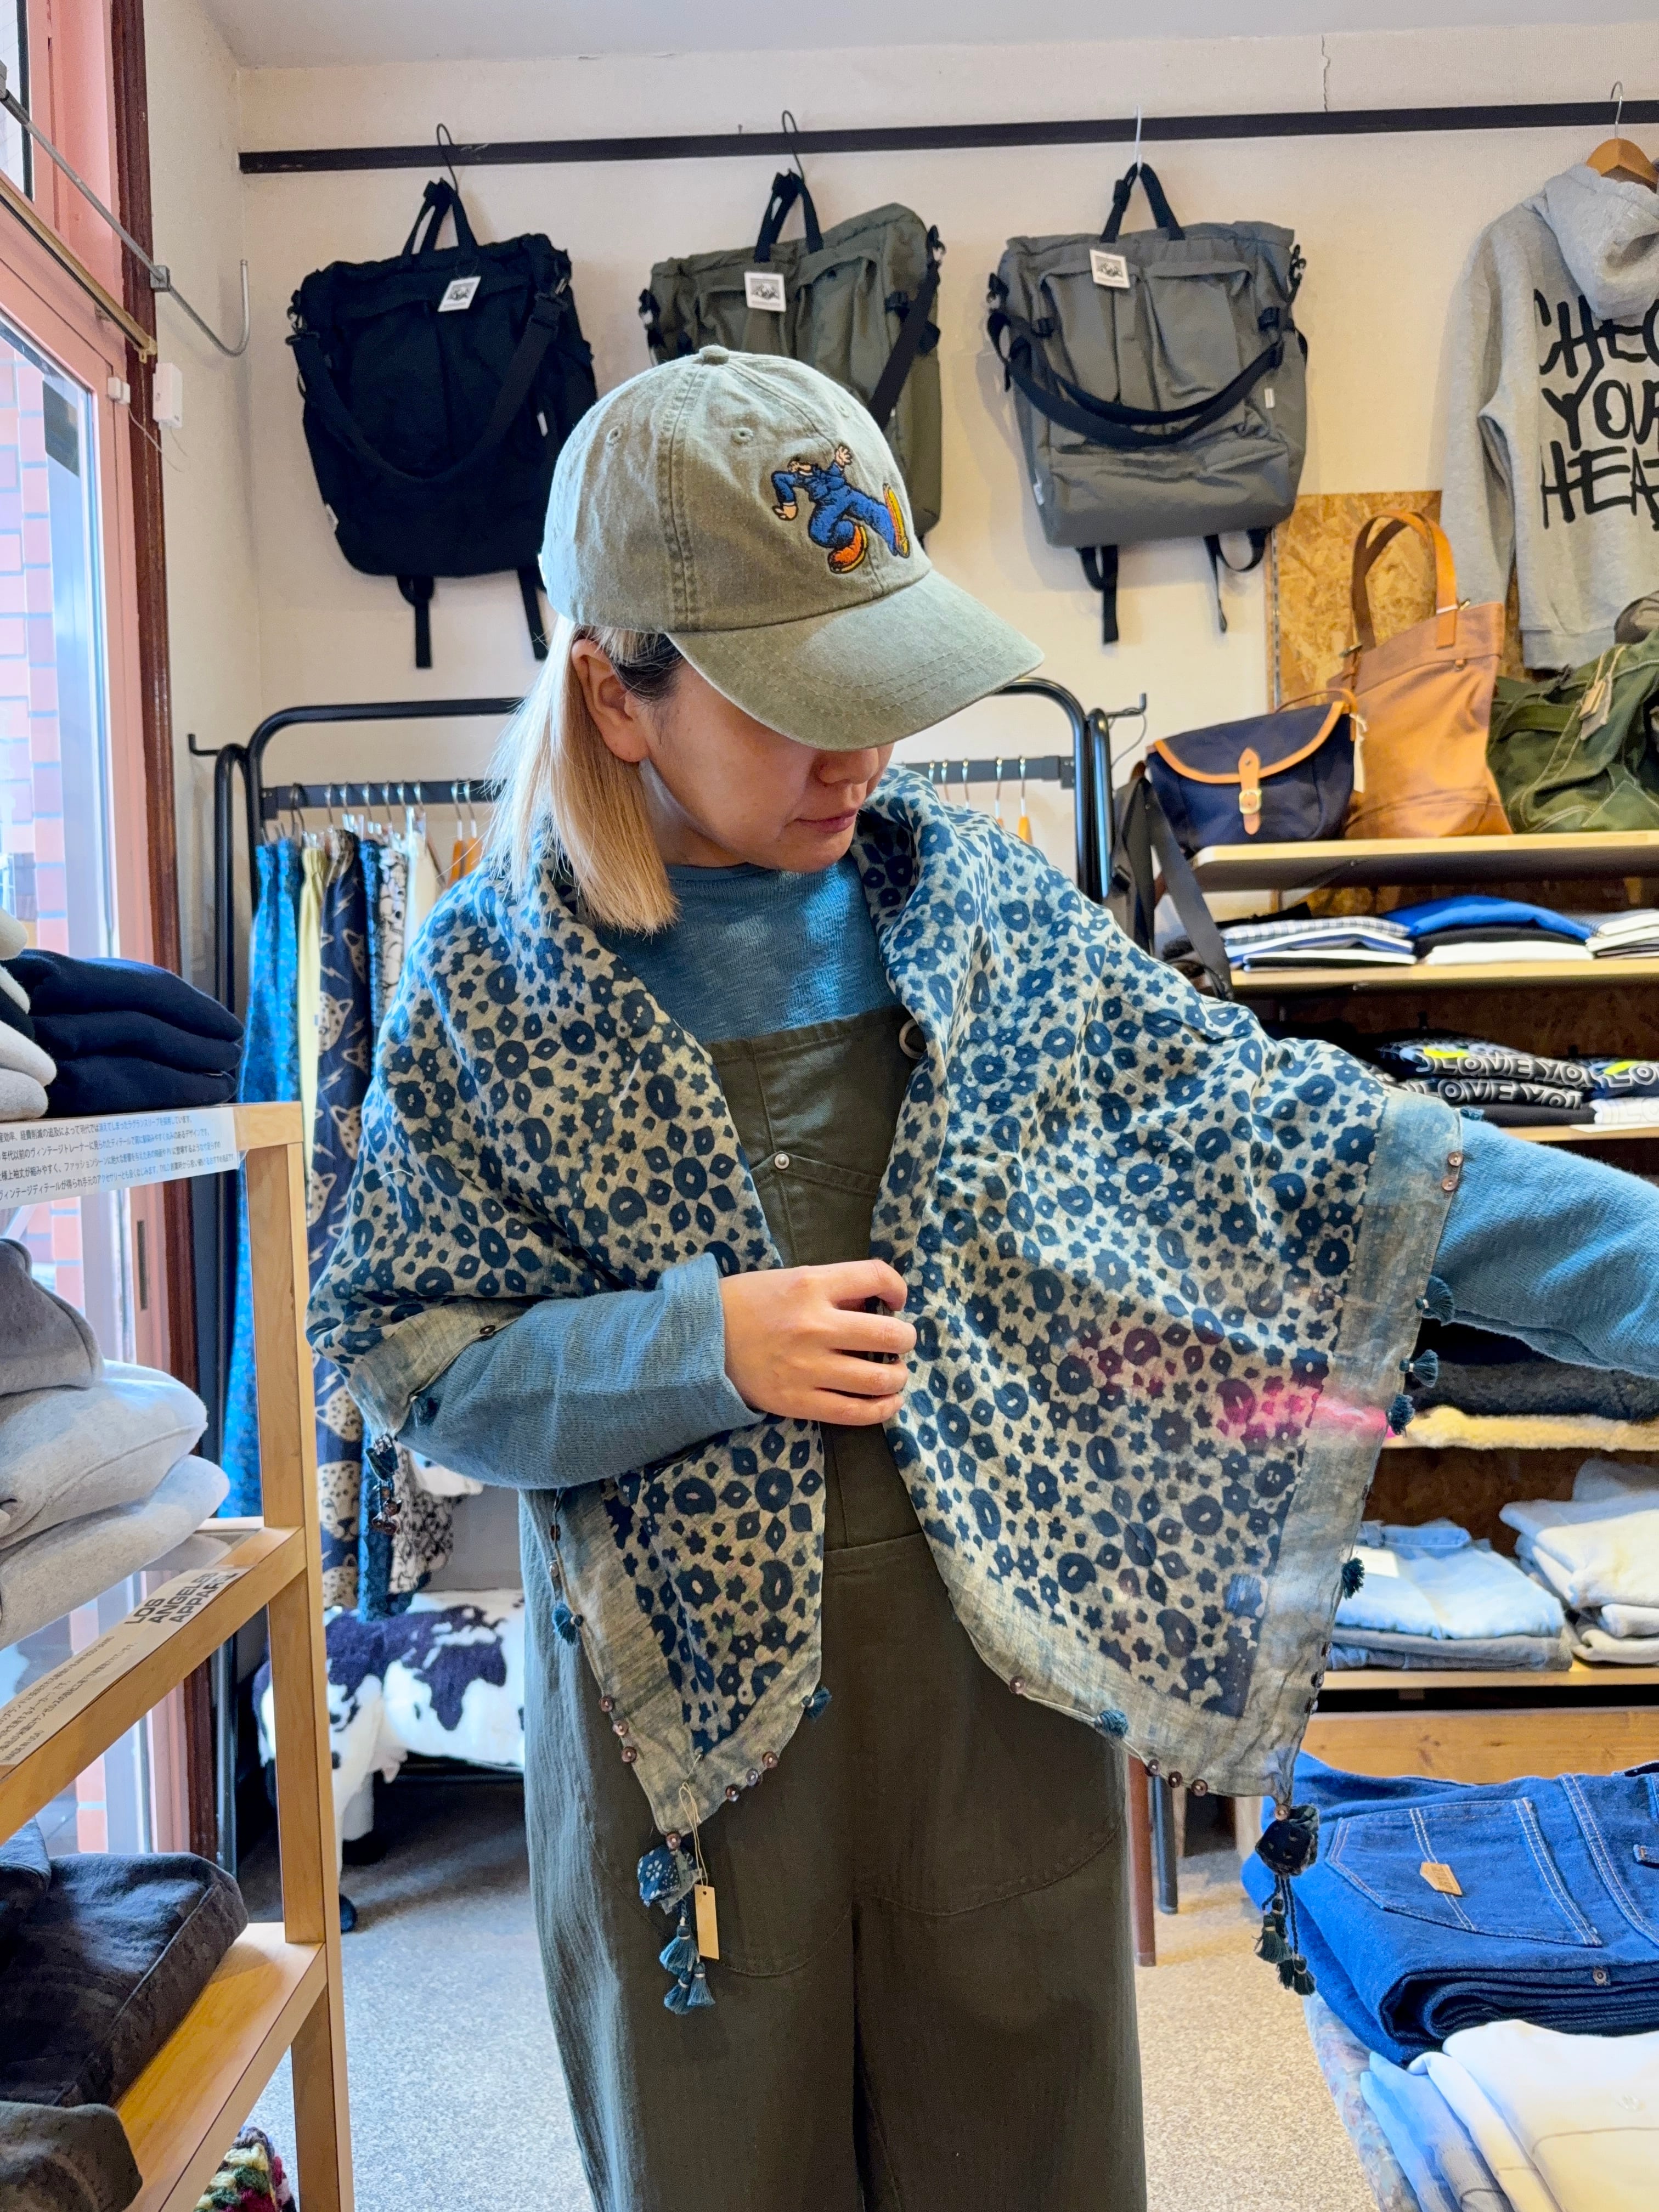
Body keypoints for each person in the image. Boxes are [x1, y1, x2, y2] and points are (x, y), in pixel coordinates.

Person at [310, 348, 1659, 2212]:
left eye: (879, 688)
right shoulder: (491, 987)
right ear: (618, 695)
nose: (860, 755)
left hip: (998, 1708)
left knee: (1021, 2150)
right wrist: (698, 1348)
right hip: (678, 1760)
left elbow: (1328, 1148)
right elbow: (405, 1355)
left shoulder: (988, 921)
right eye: (799, 702)